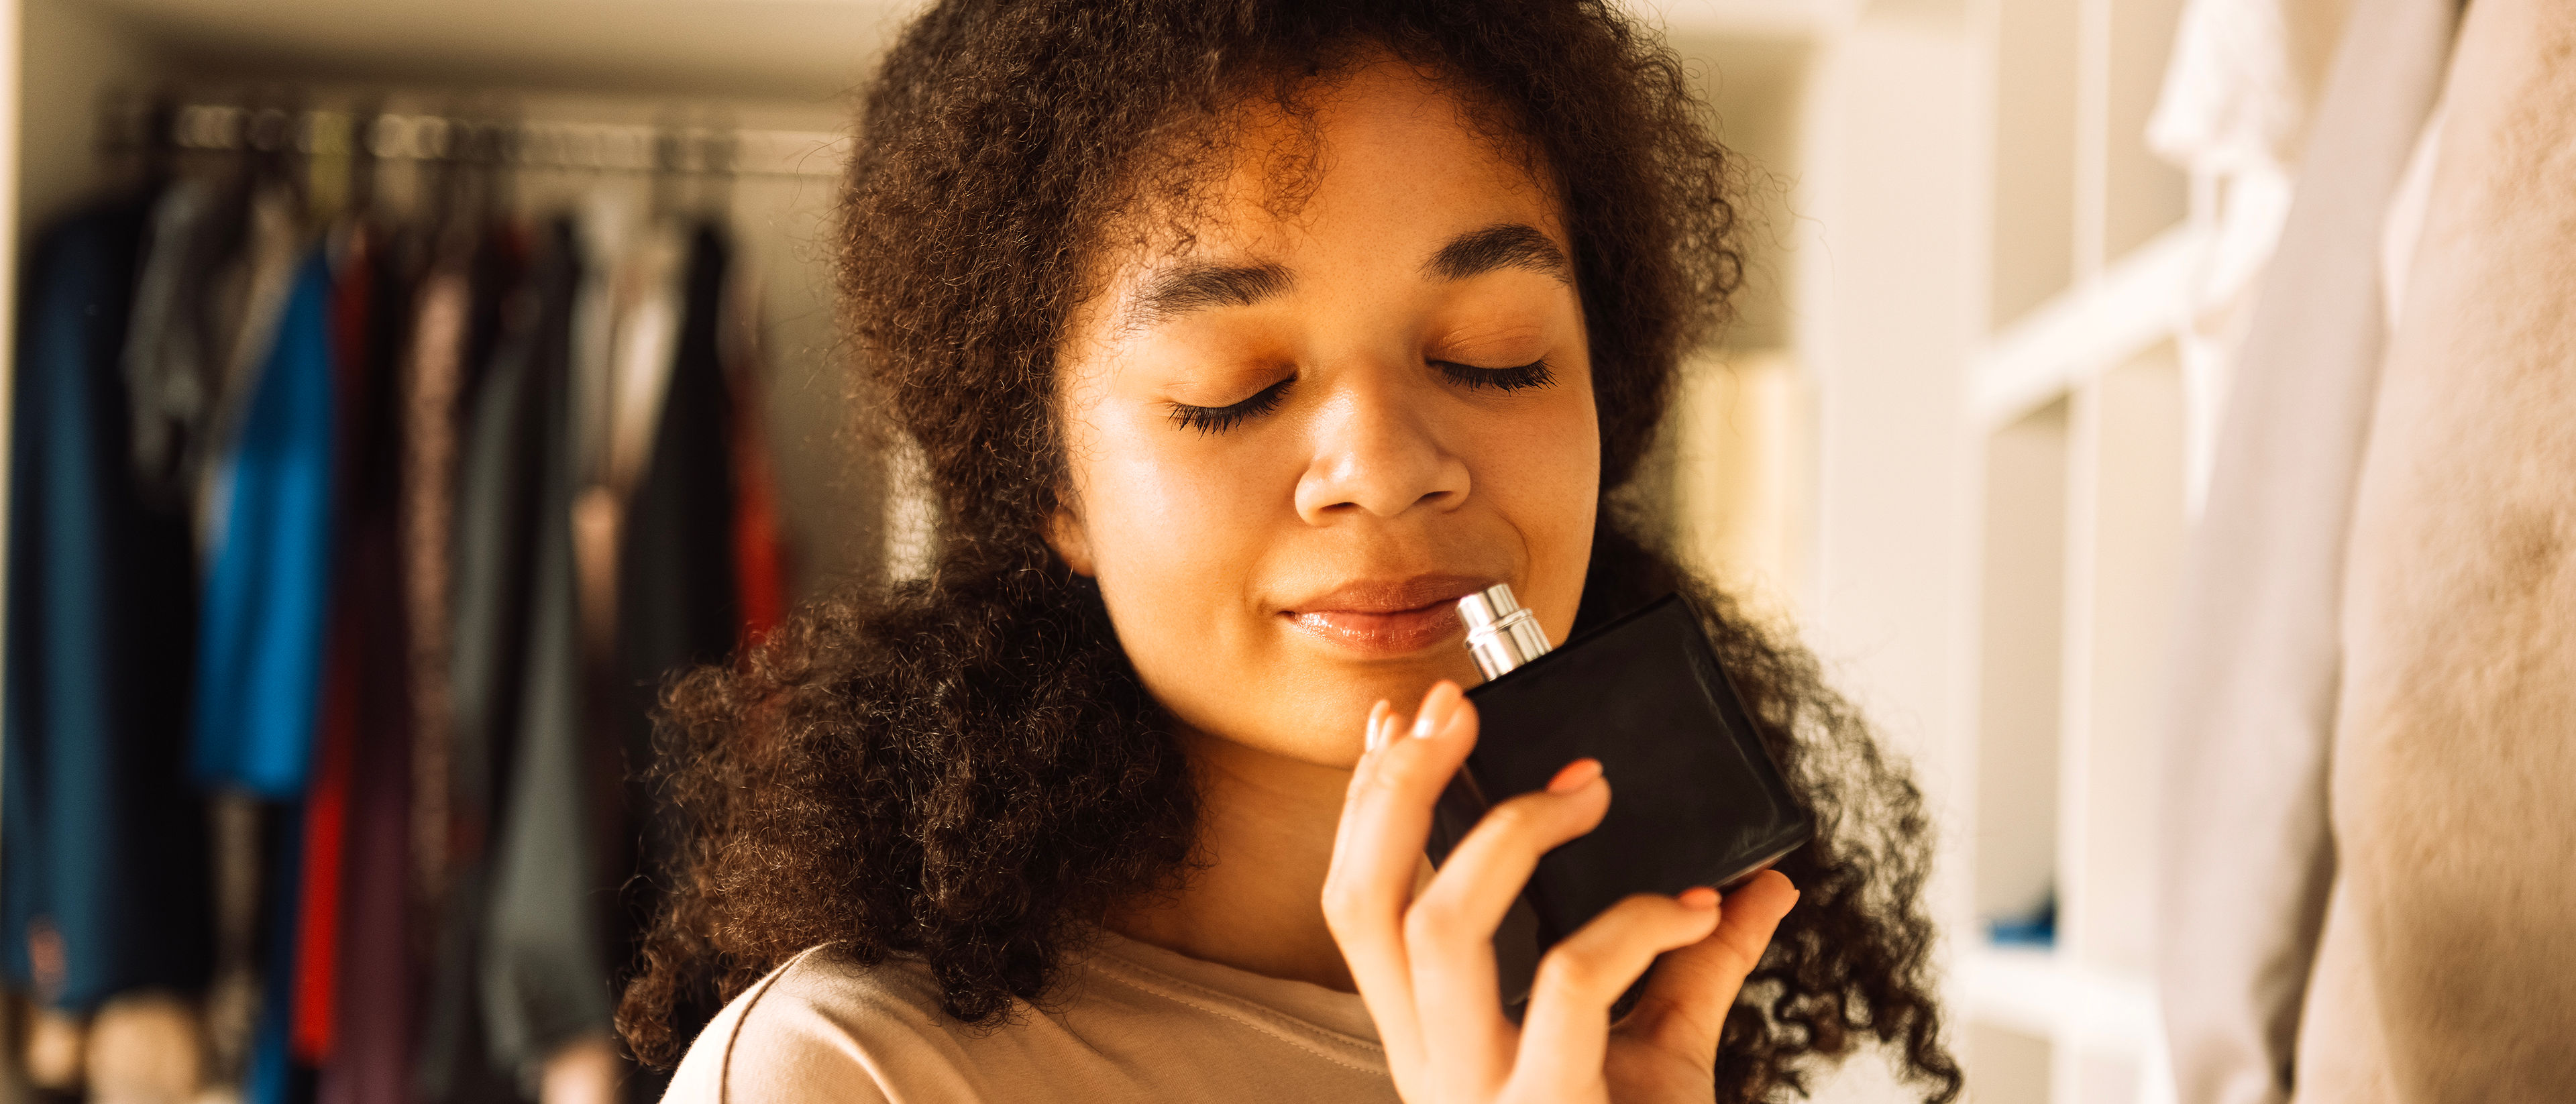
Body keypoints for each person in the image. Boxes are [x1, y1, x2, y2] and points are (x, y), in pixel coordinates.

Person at [620, 1, 1962, 1101]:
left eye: (1494, 357)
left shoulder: (1652, 1019)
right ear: (1054, 488)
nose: (1386, 463)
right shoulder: (853, 1077)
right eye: (1232, 382)